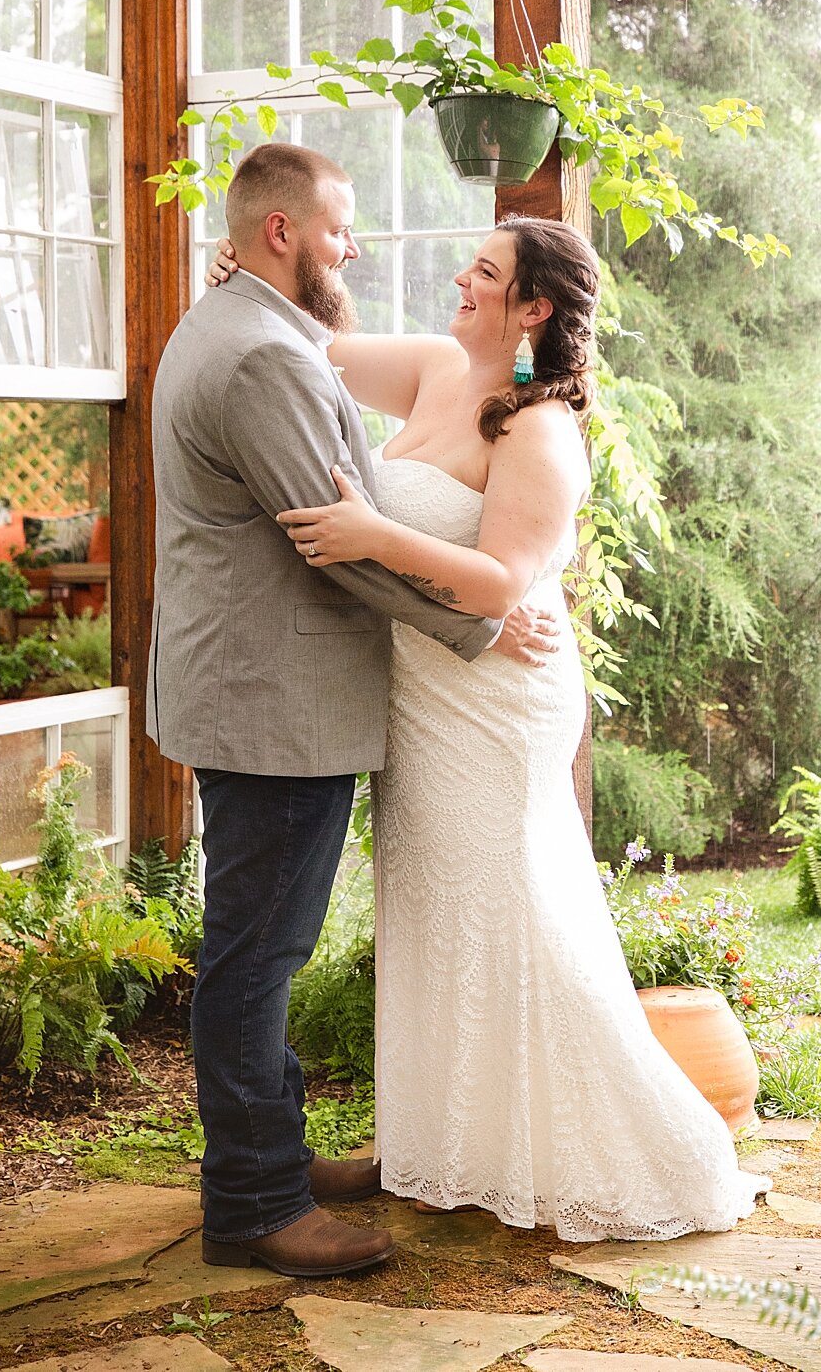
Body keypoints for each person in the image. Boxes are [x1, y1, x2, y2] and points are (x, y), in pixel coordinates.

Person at [206, 203, 761, 1241]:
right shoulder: (429, 367)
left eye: (483, 272)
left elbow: (505, 579)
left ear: (534, 307)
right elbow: (307, 347)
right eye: (465, 265)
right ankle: (452, 1145)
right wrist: (252, 273)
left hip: (495, 703)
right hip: (421, 695)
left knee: (509, 915)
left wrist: (375, 532)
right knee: (435, 916)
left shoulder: (541, 426)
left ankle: (637, 1147)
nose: (460, 281)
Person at [149, 141, 561, 1280]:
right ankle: (253, 1203)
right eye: (338, 227)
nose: (356, 247)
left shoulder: (234, 324)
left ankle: (271, 1155)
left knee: (257, 946)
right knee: (257, 958)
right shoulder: (261, 358)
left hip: (250, 695)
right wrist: (477, 625)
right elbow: (329, 543)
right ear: (279, 233)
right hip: (275, 705)